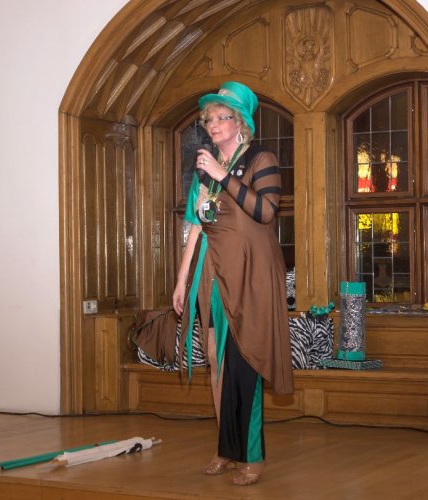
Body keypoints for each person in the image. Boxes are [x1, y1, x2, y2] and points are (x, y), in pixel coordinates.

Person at [172, 81, 294, 486]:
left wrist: (223, 175)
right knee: (216, 359)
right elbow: (197, 226)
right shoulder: (203, 169)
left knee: (246, 360)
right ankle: (226, 447)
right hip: (212, 271)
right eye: (209, 119)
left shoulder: (262, 158)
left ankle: (251, 455)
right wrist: (181, 280)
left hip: (250, 272)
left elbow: (266, 211)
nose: (213, 124)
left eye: (222, 117)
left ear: (241, 122)